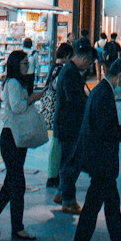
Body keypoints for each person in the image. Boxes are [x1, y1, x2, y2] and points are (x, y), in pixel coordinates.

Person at [69, 55, 121, 241]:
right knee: (93, 207)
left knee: (111, 203)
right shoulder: (103, 94)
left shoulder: (101, 91)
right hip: (100, 159)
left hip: (101, 159)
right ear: (119, 76)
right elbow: (104, 130)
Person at [0, 49, 45, 240]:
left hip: (18, 137)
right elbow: (18, 107)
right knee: (17, 183)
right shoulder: (12, 83)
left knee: (11, 182)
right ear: (16, 65)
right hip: (11, 137)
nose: (28, 66)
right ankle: (17, 227)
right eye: (25, 63)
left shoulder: (19, 82)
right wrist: (33, 98)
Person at [53, 39, 93, 214]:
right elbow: (74, 98)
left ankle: (61, 193)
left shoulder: (70, 70)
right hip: (69, 125)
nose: (89, 65)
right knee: (71, 163)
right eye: (89, 61)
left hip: (67, 124)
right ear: (84, 58)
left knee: (69, 161)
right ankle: (68, 201)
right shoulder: (70, 72)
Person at [44, 42, 73, 188]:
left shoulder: (53, 67)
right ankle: (53, 175)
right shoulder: (62, 70)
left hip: (51, 108)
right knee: (57, 143)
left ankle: (53, 174)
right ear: (67, 56)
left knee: (56, 143)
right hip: (58, 110)